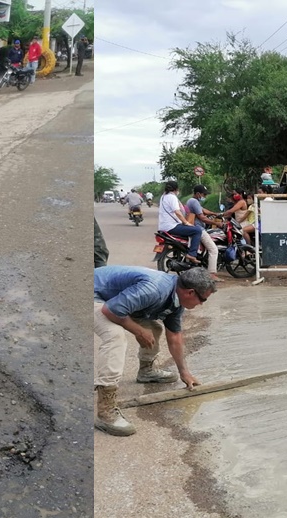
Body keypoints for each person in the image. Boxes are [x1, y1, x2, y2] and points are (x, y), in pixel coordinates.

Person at [93, 266, 214, 436]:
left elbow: (175, 338)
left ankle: (147, 371)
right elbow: (110, 310)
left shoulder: (176, 299)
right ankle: (106, 410)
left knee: (154, 328)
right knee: (115, 336)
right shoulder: (155, 289)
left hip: (115, 300)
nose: (201, 304)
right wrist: (139, 331)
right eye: (203, 299)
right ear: (190, 292)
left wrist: (184, 372)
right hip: (94, 295)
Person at [158, 180, 204, 266]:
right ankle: (192, 254)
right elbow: (178, 212)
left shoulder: (163, 197)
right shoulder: (172, 197)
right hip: (172, 226)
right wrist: (186, 222)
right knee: (197, 230)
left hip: (163, 227)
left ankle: (182, 253)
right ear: (176, 189)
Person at [185, 184, 221, 280]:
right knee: (213, 249)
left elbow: (203, 210)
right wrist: (217, 223)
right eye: (204, 195)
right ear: (198, 194)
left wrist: (215, 213)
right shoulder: (194, 202)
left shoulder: (191, 201)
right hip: (198, 229)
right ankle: (212, 274)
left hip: (194, 227)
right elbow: (202, 217)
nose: (205, 197)